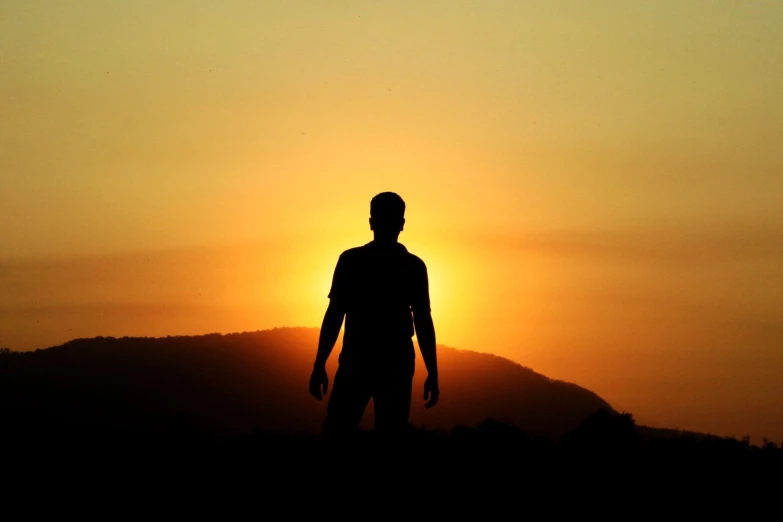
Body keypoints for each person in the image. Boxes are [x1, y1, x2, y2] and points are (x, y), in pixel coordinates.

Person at [308, 192, 439, 435]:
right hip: (393, 362)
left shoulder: (351, 261)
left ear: (371, 222)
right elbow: (422, 321)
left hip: (359, 359)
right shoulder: (413, 266)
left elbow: (335, 314)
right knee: (389, 433)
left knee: (338, 430)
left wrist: (319, 364)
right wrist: (432, 371)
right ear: (402, 224)